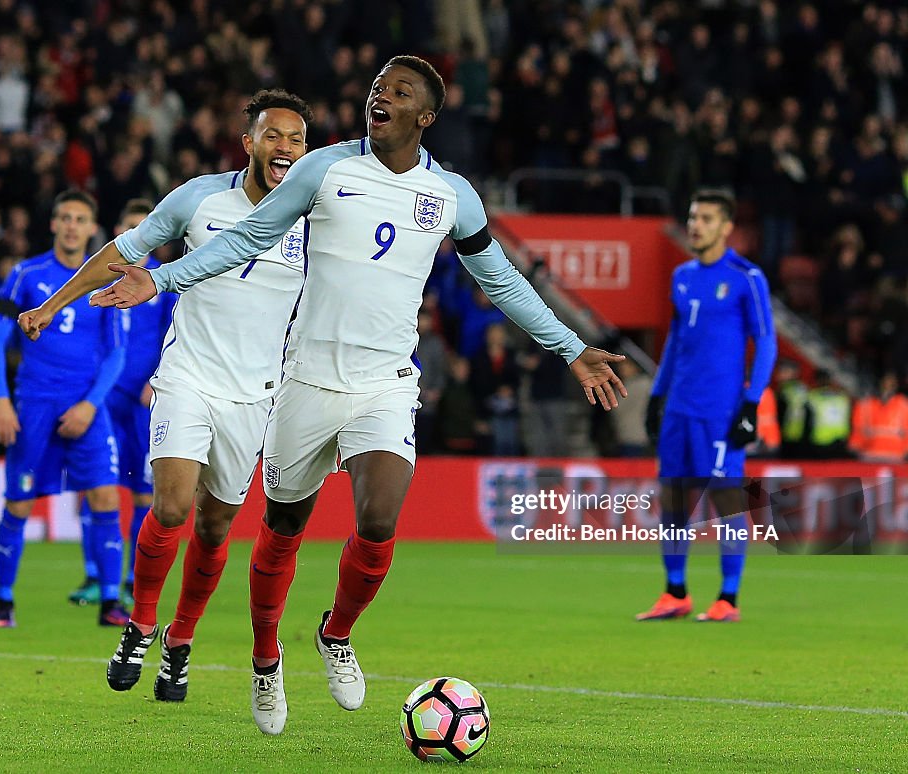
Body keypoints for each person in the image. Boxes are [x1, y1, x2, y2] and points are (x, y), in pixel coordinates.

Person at [90, 56, 627, 735]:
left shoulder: (454, 196)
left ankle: (336, 633)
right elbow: (251, 237)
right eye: (377, 88)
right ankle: (264, 657)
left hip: (385, 384)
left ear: (424, 116)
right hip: (305, 380)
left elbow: (503, 281)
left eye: (398, 92)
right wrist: (162, 280)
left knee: (377, 520)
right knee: (282, 530)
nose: (381, 97)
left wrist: (571, 347)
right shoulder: (325, 169)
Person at [18, 90, 313, 703]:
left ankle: (179, 643)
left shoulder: (312, 220)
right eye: (273, 135)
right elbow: (121, 255)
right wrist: (51, 306)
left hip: (255, 394)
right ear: (249, 142)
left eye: (296, 139)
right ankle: (141, 624)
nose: (285, 146)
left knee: (214, 528)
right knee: (173, 506)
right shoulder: (200, 197)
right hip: (188, 377)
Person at [0, 189, 129, 629]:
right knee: (20, 501)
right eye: (64, 217)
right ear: (53, 224)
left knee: (105, 495)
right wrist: (2, 399)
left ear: (91, 228)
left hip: (86, 405)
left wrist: (89, 404)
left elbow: (116, 353)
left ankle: (108, 602)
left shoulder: (109, 279)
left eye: (80, 219)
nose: (71, 226)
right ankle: (4, 602)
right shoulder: (26, 274)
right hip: (34, 405)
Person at [641, 189, 777, 623]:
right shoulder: (681, 275)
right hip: (679, 409)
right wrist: (657, 396)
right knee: (674, 500)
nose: (695, 225)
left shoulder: (746, 277)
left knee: (727, 503)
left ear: (726, 227)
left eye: (705, 218)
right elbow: (676, 343)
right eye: (692, 216)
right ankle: (675, 592)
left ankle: (728, 598)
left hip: (720, 413)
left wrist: (750, 405)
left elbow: (768, 343)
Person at [68, 199, 176, 608]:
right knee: (97, 486)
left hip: (142, 401)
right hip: (102, 400)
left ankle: (134, 578)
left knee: (144, 493)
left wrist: (156, 381)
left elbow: (175, 339)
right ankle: (96, 575)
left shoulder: (164, 291)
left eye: (145, 228)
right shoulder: (98, 288)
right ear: (120, 234)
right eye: (131, 228)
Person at [849, 371, 908, 462]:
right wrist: (855, 446)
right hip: (869, 454)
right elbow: (858, 428)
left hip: (896, 455)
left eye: (892, 383)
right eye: (886, 382)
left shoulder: (903, 404)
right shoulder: (865, 404)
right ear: (880, 383)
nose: (888, 386)